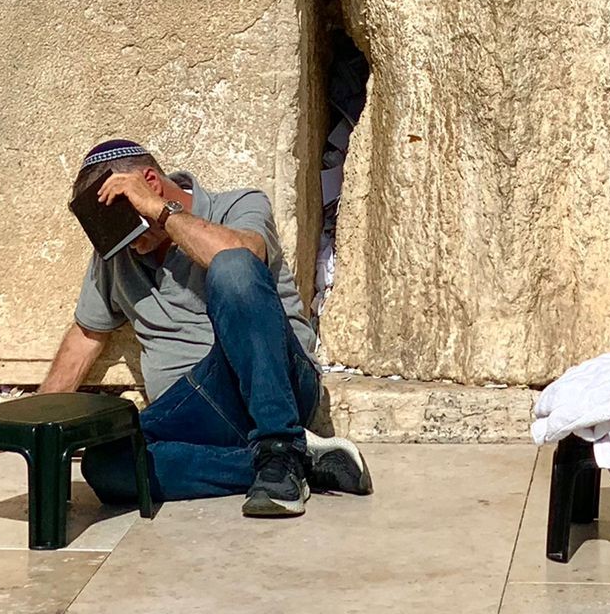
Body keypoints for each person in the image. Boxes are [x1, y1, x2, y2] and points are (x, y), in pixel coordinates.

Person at [39, 136, 371, 518]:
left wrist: (160, 212)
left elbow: (244, 255)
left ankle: (280, 441)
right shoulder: (120, 248)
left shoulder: (240, 204)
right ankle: (291, 462)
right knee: (106, 466)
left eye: (133, 223)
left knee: (233, 266)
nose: (132, 245)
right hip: (191, 409)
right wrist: (34, 419)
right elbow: (86, 334)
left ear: (151, 182)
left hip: (274, 382)